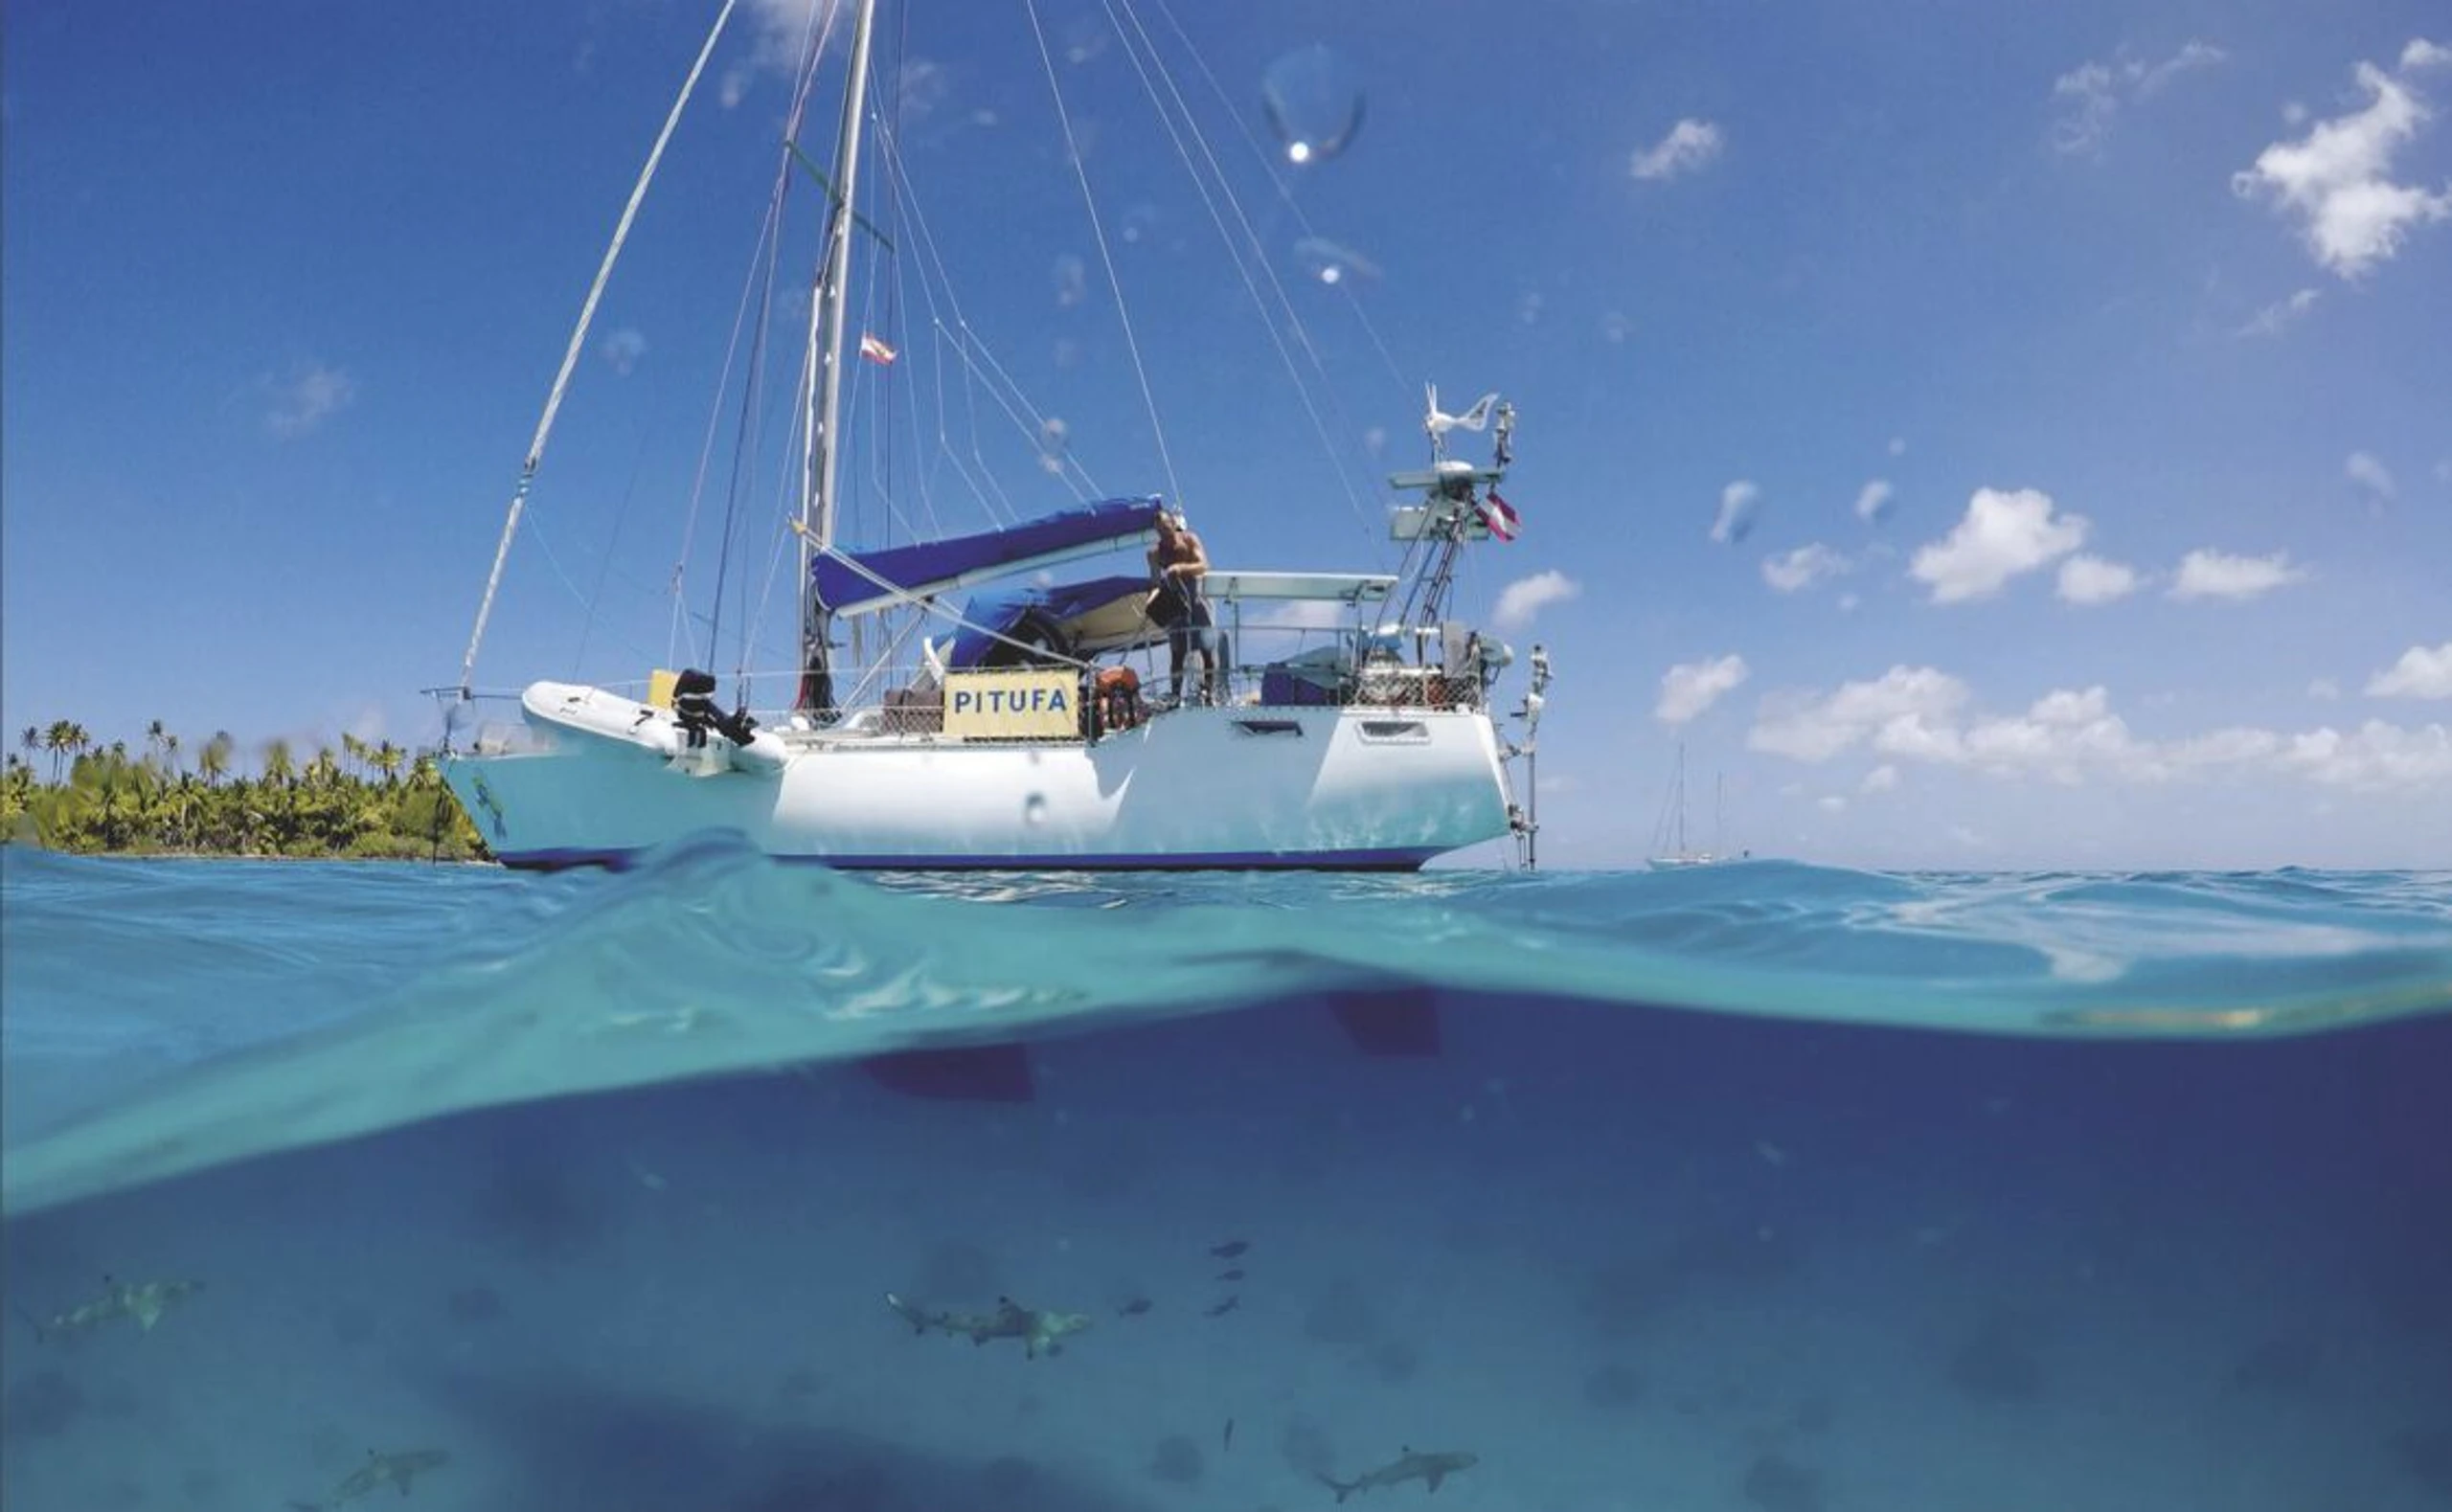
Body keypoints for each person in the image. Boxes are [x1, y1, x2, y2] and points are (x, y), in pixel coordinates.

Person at [1146, 507, 1219, 703]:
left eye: (1166, 528)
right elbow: (1154, 582)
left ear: (1173, 524)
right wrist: (1151, 601)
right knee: (1177, 651)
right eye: (1159, 530)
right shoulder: (1154, 554)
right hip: (1175, 600)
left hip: (1197, 597)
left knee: (1207, 648)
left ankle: (1209, 690)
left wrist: (1179, 568)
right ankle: (1175, 695)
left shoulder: (1189, 539)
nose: (1164, 533)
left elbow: (1204, 565)